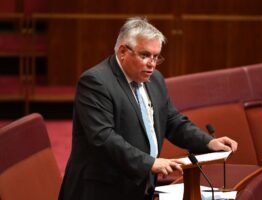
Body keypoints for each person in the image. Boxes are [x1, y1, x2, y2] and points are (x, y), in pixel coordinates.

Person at [58, 17, 238, 200]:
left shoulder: (155, 80)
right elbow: (103, 138)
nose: (151, 63)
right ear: (122, 51)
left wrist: (208, 143)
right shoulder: (96, 82)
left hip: (139, 187)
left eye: (156, 56)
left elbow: (172, 121)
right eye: (144, 55)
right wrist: (149, 163)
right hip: (101, 190)